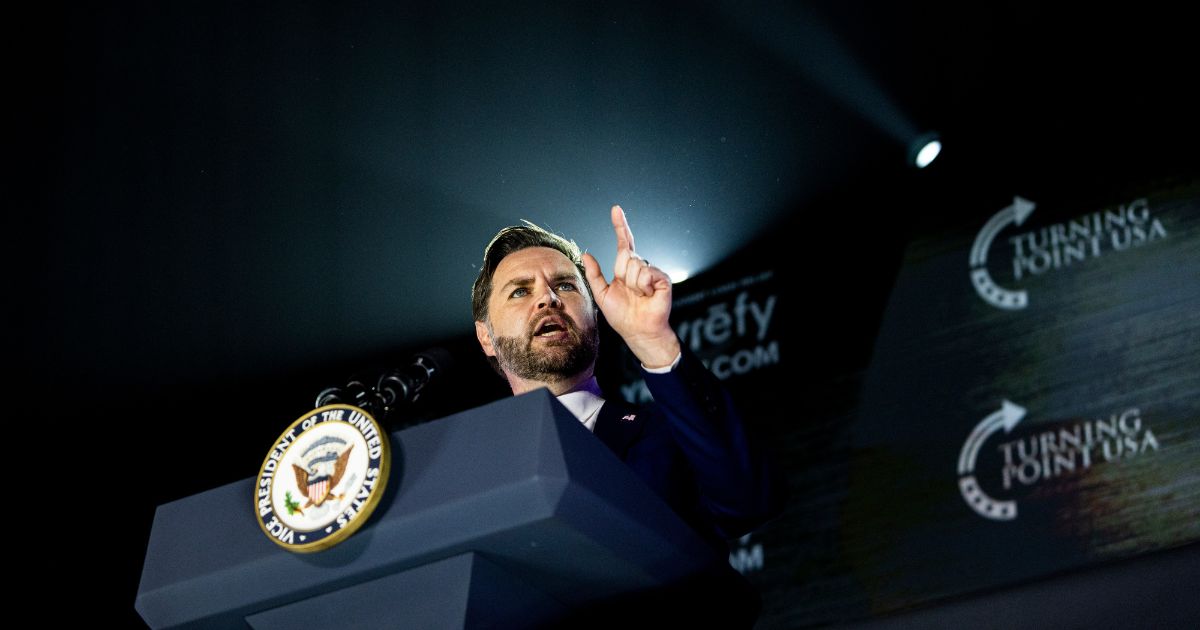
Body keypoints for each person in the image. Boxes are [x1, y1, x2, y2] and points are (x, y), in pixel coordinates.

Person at [471, 205, 785, 626]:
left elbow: (749, 499)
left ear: (595, 315)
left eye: (565, 285)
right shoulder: (472, 477)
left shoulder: (666, 434)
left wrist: (651, 340)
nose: (547, 297)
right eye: (520, 291)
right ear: (486, 336)